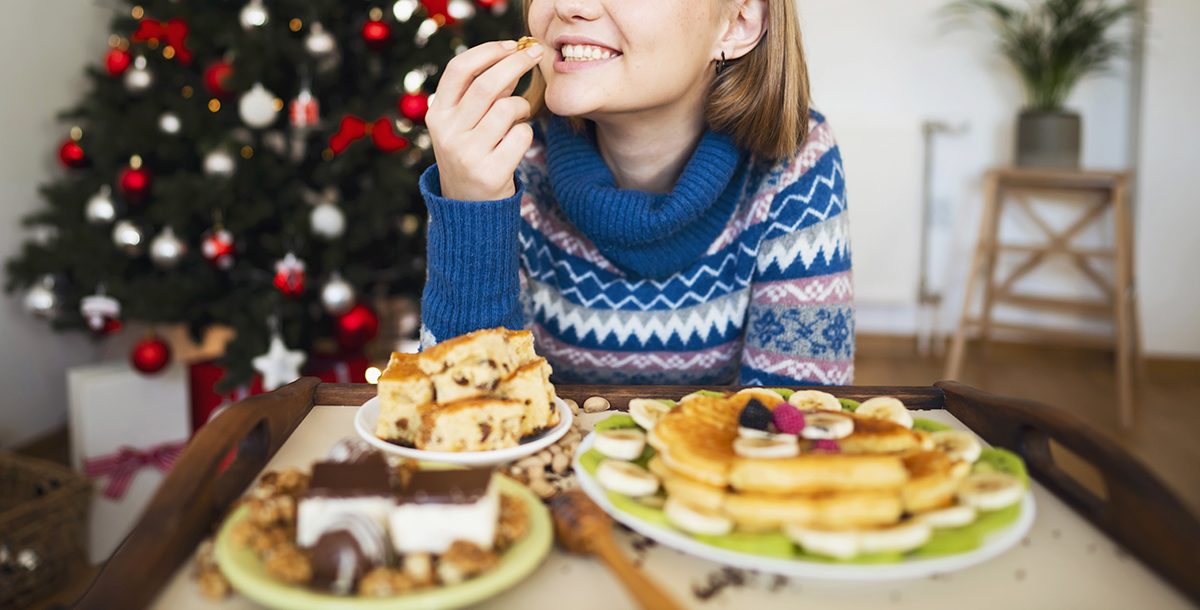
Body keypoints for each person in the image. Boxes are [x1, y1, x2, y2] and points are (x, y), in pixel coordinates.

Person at [418, 0, 852, 386]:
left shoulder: (796, 159)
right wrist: (470, 211)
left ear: (737, 22)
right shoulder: (502, 165)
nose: (570, 6)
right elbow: (461, 421)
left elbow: (798, 432)